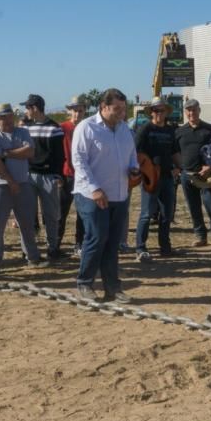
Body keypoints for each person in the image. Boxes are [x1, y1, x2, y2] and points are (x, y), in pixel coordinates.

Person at [72, 88, 140, 303]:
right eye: (116, 108)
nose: (121, 113)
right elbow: (79, 161)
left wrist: (134, 168)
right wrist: (95, 188)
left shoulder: (125, 130)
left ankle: (112, 288)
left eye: (123, 108)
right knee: (96, 237)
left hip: (119, 194)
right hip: (92, 195)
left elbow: (132, 156)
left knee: (112, 242)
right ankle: (85, 284)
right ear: (103, 107)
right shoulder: (87, 127)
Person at [0, 103, 47, 274]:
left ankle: (32, 257)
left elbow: (30, 152)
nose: (8, 119)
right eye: (4, 116)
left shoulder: (23, 132)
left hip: (23, 183)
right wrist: (11, 181)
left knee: (27, 223)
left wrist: (6, 152)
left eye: (10, 115)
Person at [19, 93, 66, 261]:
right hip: (29, 175)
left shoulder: (54, 128)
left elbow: (59, 155)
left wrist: (58, 176)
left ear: (35, 108)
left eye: (27, 107)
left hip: (48, 177)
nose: (25, 111)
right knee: (28, 214)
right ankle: (28, 250)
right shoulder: (25, 127)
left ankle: (53, 248)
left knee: (51, 215)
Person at [134, 97, 180, 262]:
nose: (158, 113)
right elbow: (137, 153)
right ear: (151, 112)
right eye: (155, 110)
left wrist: (178, 167)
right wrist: (145, 171)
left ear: (166, 112)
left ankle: (165, 247)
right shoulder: (145, 129)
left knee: (167, 214)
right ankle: (140, 247)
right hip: (150, 177)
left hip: (167, 176)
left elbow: (175, 152)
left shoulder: (170, 131)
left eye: (161, 110)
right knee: (146, 213)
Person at [174, 98, 211, 247]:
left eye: (194, 109)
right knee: (193, 207)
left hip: (206, 175)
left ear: (199, 110)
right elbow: (174, 152)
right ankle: (200, 235)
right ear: (185, 112)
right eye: (188, 110)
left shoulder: (210, 129)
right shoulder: (179, 131)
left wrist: (210, 167)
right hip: (187, 175)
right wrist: (178, 168)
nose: (191, 113)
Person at [58, 96, 87, 258]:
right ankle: (55, 244)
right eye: (75, 110)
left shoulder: (88, 128)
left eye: (80, 110)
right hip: (66, 175)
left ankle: (79, 244)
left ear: (84, 111)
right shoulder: (62, 128)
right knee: (61, 212)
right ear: (70, 111)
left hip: (83, 177)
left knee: (82, 213)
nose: (77, 113)